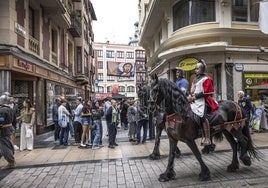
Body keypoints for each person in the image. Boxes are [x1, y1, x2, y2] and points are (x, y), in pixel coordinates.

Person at [188, 59, 218, 146]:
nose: (195, 70)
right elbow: (193, 90)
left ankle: (208, 138)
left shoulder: (207, 79)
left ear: (202, 69)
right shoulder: (195, 79)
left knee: (202, 116)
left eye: (197, 69)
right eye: (195, 69)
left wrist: (194, 97)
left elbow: (207, 93)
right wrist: (190, 96)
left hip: (204, 100)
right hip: (194, 100)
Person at [0, 94, 16, 169]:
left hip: (4, 130)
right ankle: (11, 160)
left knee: (4, 146)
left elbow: (1, 121)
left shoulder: (2, 110)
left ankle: (11, 161)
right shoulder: (10, 109)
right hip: (9, 128)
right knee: (8, 144)